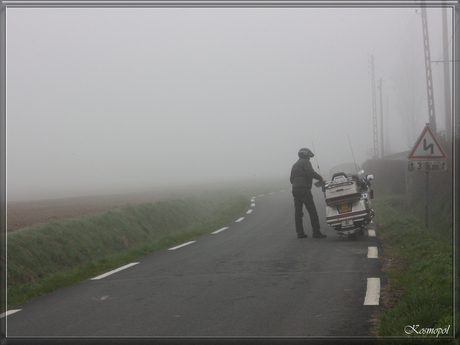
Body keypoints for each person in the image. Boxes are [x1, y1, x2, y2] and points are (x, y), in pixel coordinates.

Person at [290, 148, 327, 239]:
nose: (309, 158)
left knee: (298, 212)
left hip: (295, 189)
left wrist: (297, 184)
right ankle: (316, 232)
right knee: (312, 210)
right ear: (306, 155)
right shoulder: (305, 162)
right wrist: (321, 178)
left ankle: (300, 233)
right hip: (304, 189)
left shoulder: (295, 165)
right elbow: (310, 172)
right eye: (309, 156)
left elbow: (291, 179)